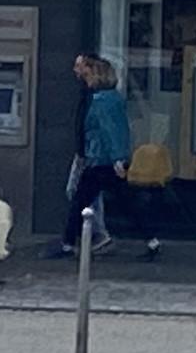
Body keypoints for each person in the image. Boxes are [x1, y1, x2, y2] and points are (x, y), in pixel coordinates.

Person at [58, 56, 160, 260]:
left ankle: (68, 244)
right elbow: (118, 131)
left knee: (80, 200)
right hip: (105, 160)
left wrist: (117, 158)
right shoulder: (112, 98)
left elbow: (108, 131)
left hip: (99, 160)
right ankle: (151, 239)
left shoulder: (100, 101)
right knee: (126, 201)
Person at [68, 52, 107, 247]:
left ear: (88, 69)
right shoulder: (88, 92)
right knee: (88, 193)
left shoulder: (93, 94)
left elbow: (93, 125)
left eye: (79, 66)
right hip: (86, 150)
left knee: (78, 191)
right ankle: (94, 232)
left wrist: (87, 151)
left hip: (90, 153)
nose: (75, 70)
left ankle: (96, 233)